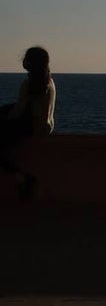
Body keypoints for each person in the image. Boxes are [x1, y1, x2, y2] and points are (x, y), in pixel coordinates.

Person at [2, 46, 57, 200]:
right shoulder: (50, 81)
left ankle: (21, 178)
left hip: (31, 126)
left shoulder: (29, 84)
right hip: (45, 126)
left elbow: (18, 112)